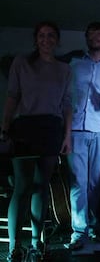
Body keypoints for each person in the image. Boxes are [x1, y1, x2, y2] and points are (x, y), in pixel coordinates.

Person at [0, 21, 72, 261]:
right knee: (22, 188)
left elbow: (67, 105)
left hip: (52, 128)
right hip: (26, 127)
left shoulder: (64, 69)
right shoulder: (22, 62)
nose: (46, 39)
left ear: (57, 40)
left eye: (51, 35)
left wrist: (67, 136)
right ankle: (13, 246)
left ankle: (35, 244)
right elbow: (12, 96)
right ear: (36, 39)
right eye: (41, 35)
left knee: (42, 187)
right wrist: (5, 127)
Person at [65, 22, 100, 250]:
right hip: (76, 131)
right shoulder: (74, 65)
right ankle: (79, 231)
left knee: (95, 183)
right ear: (86, 39)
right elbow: (66, 98)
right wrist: (65, 132)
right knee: (78, 182)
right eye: (90, 34)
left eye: (99, 34)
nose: (95, 37)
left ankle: (93, 224)